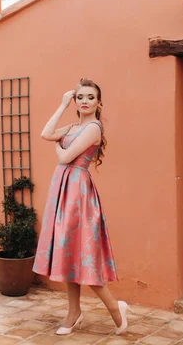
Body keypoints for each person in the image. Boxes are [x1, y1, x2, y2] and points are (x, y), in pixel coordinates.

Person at [32, 78, 131, 336]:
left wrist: (57, 144)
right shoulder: (74, 125)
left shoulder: (93, 128)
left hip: (78, 191)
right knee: (68, 251)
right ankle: (74, 313)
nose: (84, 101)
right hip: (63, 189)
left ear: (99, 102)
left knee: (83, 254)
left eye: (90, 97)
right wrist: (62, 104)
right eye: (80, 97)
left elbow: (65, 157)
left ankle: (115, 309)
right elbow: (45, 132)